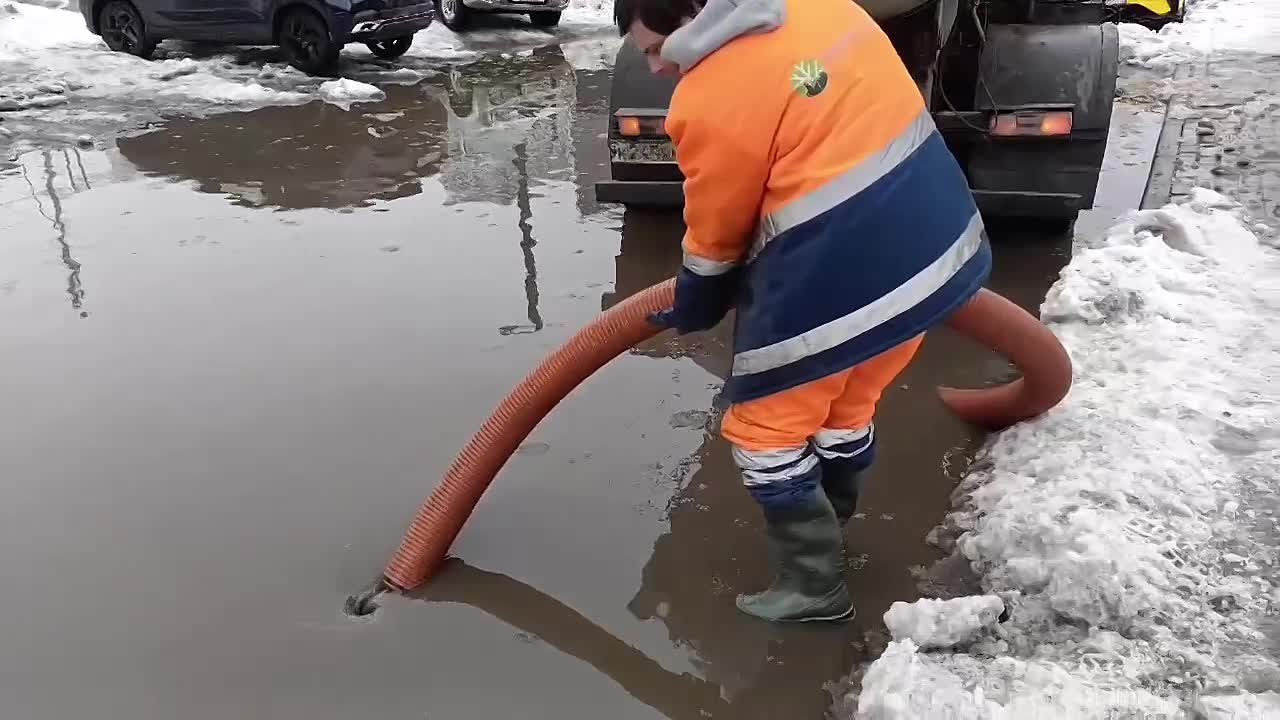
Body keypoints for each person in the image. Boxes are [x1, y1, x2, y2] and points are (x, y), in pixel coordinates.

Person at [615, 0, 992, 623]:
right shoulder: (822, 7)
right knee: (843, 409)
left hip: (845, 275)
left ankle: (816, 585)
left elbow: (717, 228)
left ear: (691, 14)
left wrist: (696, 301)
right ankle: (835, 530)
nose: (655, 68)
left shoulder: (709, 93)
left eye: (656, 48)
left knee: (763, 431)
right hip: (940, 252)